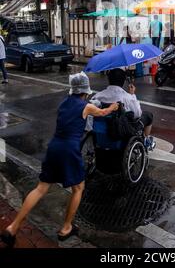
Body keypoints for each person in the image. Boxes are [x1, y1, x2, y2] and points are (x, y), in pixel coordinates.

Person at [0, 72, 118, 247]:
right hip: (69, 150)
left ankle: (13, 227)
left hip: (54, 146)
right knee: (78, 188)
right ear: (85, 91)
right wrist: (114, 106)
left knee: (40, 188)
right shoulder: (86, 106)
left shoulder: (64, 103)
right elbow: (103, 112)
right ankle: (66, 228)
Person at [93, 68, 155, 149]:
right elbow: (138, 114)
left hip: (100, 133)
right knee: (148, 115)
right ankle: (146, 140)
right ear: (123, 81)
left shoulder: (98, 96)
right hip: (121, 132)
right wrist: (132, 94)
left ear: (109, 79)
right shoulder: (127, 97)